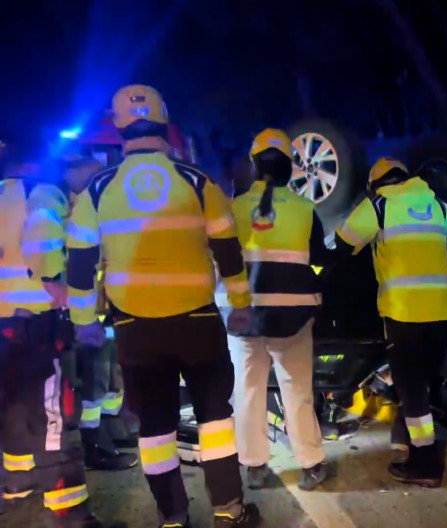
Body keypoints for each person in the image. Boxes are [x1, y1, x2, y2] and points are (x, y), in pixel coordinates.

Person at [65, 85, 260, 528]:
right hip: (197, 321)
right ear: (166, 120)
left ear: (117, 126)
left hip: (135, 326)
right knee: (215, 419)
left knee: (154, 429)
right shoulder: (197, 180)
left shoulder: (96, 190)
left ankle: (172, 517)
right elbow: (227, 247)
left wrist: (84, 324)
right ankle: (230, 511)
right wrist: (242, 304)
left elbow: (79, 264)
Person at [0, 164, 119, 527]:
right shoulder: (42, 191)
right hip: (36, 321)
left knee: (15, 410)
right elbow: (41, 241)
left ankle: (16, 487)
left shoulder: (5, 191)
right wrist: (57, 283)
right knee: (54, 417)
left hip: (6, 319)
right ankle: (72, 514)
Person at [333, 157, 447, 487]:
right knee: (422, 384)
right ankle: (410, 443)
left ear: (377, 184)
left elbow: (342, 243)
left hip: (404, 312)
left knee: (411, 389)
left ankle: (425, 463)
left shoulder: (379, 206)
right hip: (442, 311)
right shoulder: (437, 204)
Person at [227, 129, 331, 491]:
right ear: (289, 167)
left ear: (254, 166)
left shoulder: (234, 208)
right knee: (297, 390)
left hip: (244, 317)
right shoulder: (305, 209)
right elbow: (318, 259)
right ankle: (311, 464)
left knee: (248, 391)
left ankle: (254, 467)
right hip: (293, 317)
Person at [60, 154, 138, 471]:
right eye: (92, 173)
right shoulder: (72, 209)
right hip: (85, 311)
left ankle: (110, 432)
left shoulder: (93, 204)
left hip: (104, 306)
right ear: (72, 172)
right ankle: (93, 447)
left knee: (109, 376)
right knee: (95, 380)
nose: (99, 179)